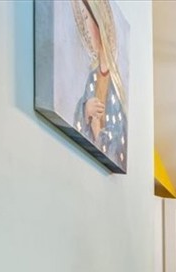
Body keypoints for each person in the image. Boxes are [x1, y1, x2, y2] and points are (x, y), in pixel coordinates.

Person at [71, 0, 127, 168]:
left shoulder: (116, 84)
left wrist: (99, 134)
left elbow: (120, 137)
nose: (86, 30)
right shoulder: (92, 78)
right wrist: (85, 109)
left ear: (99, 22)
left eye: (88, 18)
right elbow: (78, 125)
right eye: (84, 20)